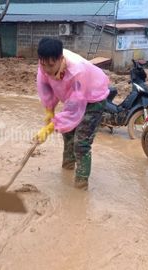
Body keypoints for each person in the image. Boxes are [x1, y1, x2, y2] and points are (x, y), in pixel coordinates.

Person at [34, 37, 109, 189]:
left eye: (51, 65)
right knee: (67, 132)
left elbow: (75, 108)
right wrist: (49, 109)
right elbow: (44, 85)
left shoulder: (77, 71)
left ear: (60, 59)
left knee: (81, 142)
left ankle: (81, 185)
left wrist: (50, 127)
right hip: (73, 97)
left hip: (93, 97)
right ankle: (67, 167)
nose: (47, 69)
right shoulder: (44, 63)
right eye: (43, 64)